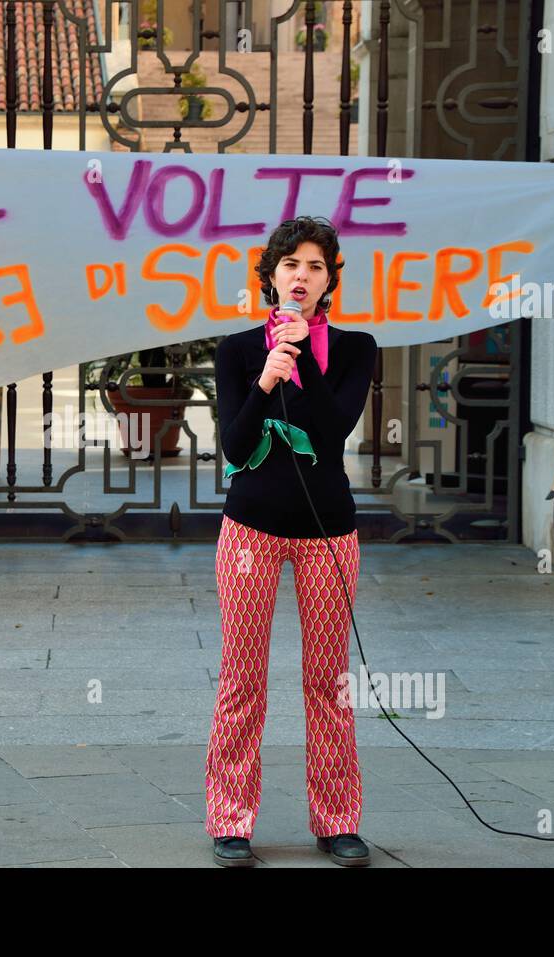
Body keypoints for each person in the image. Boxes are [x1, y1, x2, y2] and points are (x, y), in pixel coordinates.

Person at [205, 215, 378, 867]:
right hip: (250, 529)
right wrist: (269, 376)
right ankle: (230, 819)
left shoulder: (356, 348)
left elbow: (332, 433)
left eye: (314, 264)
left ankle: (337, 819)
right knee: (242, 678)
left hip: (328, 533)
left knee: (328, 680)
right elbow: (238, 444)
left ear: (330, 276)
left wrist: (301, 362)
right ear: (270, 276)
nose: (301, 275)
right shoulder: (239, 350)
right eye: (290, 264)